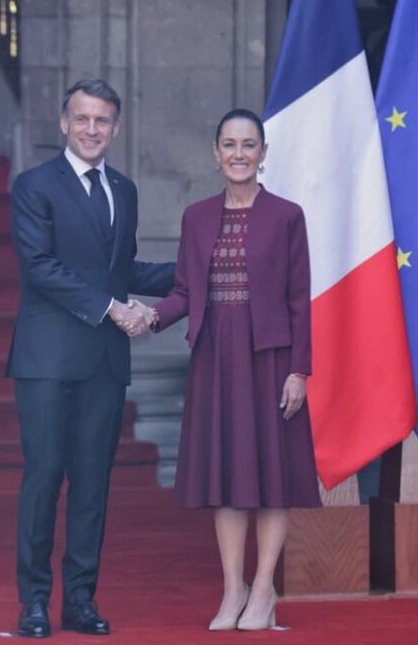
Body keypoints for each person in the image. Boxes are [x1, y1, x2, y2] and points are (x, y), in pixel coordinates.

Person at [6, 78, 175, 638]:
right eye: (82, 118)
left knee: (93, 486)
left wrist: (199, 267)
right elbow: (41, 268)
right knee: (44, 478)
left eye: (102, 120)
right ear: (64, 123)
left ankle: (80, 600)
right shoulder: (34, 186)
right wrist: (112, 308)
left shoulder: (123, 189)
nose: (91, 129)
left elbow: (121, 270)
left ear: (116, 128)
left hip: (103, 362)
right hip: (48, 361)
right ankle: (34, 601)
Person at [144, 108, 321, 631]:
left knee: (271, 475)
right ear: (215, 153)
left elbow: (300, 300)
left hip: (270, 359)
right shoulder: (196, 217)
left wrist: (299, 371)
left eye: (248, 145)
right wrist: (151, 316)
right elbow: (184, 291)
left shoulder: (287, 216)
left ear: (263, 154)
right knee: (227, 475)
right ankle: (232, 589)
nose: (238, 154)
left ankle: (263, 589)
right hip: (215, 360)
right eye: (229, 144)